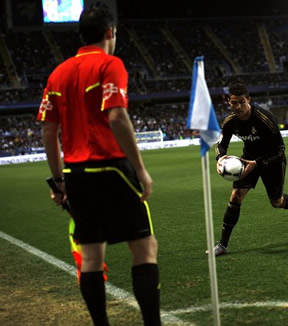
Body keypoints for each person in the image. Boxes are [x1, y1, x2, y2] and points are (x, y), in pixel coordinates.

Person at [37, 7, 161, 326]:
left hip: (77, 175)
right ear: (110, 32)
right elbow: (117, 116)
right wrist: (141, 168)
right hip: (113, 168)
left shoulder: (58, 73)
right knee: (144, 249)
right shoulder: (110, 64)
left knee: (91, 257)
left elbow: (48, 130)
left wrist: (58, 179)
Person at [209, 83, 288, 256]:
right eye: (233, 103)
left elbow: (279, 149)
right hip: (247, 159)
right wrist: (220, 158)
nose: (238, 106)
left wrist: (257, 163)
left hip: (272, 161)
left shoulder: (264, 118)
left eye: (241, 102)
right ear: (229, 103)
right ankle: (222, 245)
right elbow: (221, 143)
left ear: (249, 100)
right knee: (236, 196)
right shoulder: (230, 121)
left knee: (276, 202)